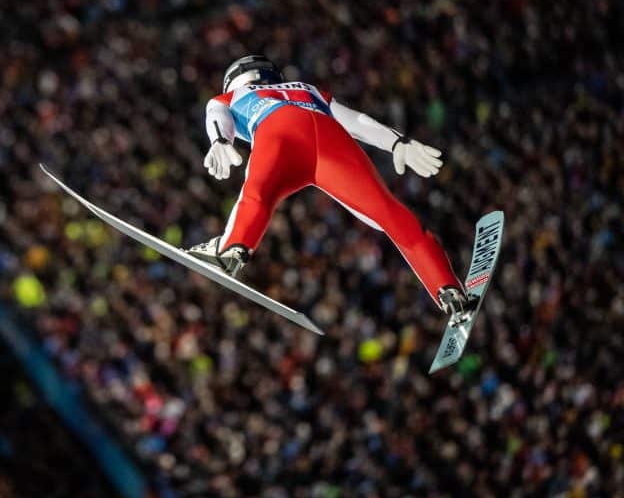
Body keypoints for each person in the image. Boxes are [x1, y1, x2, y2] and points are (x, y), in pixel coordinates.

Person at [187, 55, 474, 316]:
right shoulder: (306, 88)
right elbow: (356, 121)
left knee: (257, 194)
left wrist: (220, 141)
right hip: (329, 138)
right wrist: (397, 141)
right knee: (387, 213)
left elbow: (216, 115)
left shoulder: (231, 95)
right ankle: (447, 287)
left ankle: (232, 249)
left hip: (277, 131)